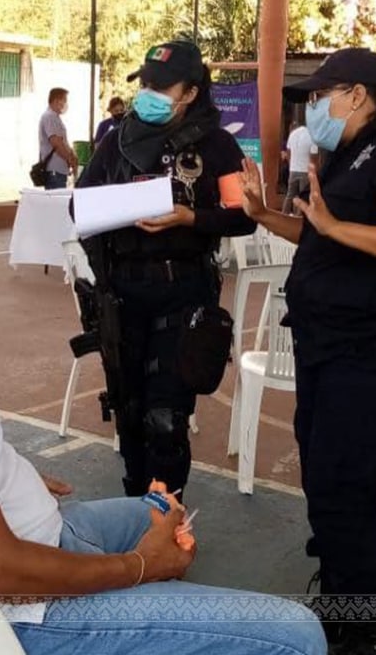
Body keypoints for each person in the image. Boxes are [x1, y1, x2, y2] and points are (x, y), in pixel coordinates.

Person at [0, 135, 325, 655]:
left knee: (158, 512)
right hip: (19, 615)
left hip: (27, 535)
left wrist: (4, 469)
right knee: (297, 633)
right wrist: (141, 568)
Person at [238, 48, 376, 655]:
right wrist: (264, 216)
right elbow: (320, 233)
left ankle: (368, 639)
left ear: (357, 95)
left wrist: (333, 229)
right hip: (325, 348)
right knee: (326, 485)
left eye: (322, 93)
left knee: (349, 496)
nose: (314, 107)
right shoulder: (344, 156)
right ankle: (337, 609)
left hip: (374, 353)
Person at [75, 40, 256, 498]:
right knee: (129, 409)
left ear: (191, 93)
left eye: (162, 86)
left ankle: (167, 515)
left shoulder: (217, 145)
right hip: (123, 292)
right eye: (146, 83)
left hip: (183, 292)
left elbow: (243, 215)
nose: (150, 93)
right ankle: (138, 509)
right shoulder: (117, 138)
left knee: (165, 417)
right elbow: (81, 203)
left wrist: (191, 217)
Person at [38, 87, 77, 189]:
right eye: (64, 100)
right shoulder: (49, 117)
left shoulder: (55, 117)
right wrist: (69, 159)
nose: (65, 104)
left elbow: (62, 141)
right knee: (57, 202)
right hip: (54, 171)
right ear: (56, 101)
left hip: (59, 170)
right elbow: (56, 142)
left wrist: (72, 154)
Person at [284, 119, 318, 215]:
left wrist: (291, 164)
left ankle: (284, 214)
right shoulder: (312, 136)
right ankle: (298, 217)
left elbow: (288, 152)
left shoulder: (292, 134)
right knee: (304, 196)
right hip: (305, 171)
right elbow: (313, 157)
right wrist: (315, 171)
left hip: (293, 170)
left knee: (290, 195)